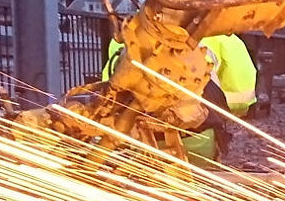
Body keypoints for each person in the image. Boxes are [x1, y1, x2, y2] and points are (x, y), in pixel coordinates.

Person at [101, 33, 257, 164]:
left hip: (136, 136)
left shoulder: (124, 35)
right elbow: (242, 94)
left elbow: (110, 91)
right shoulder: (223, 38)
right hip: (199, 136)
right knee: (200, 183)